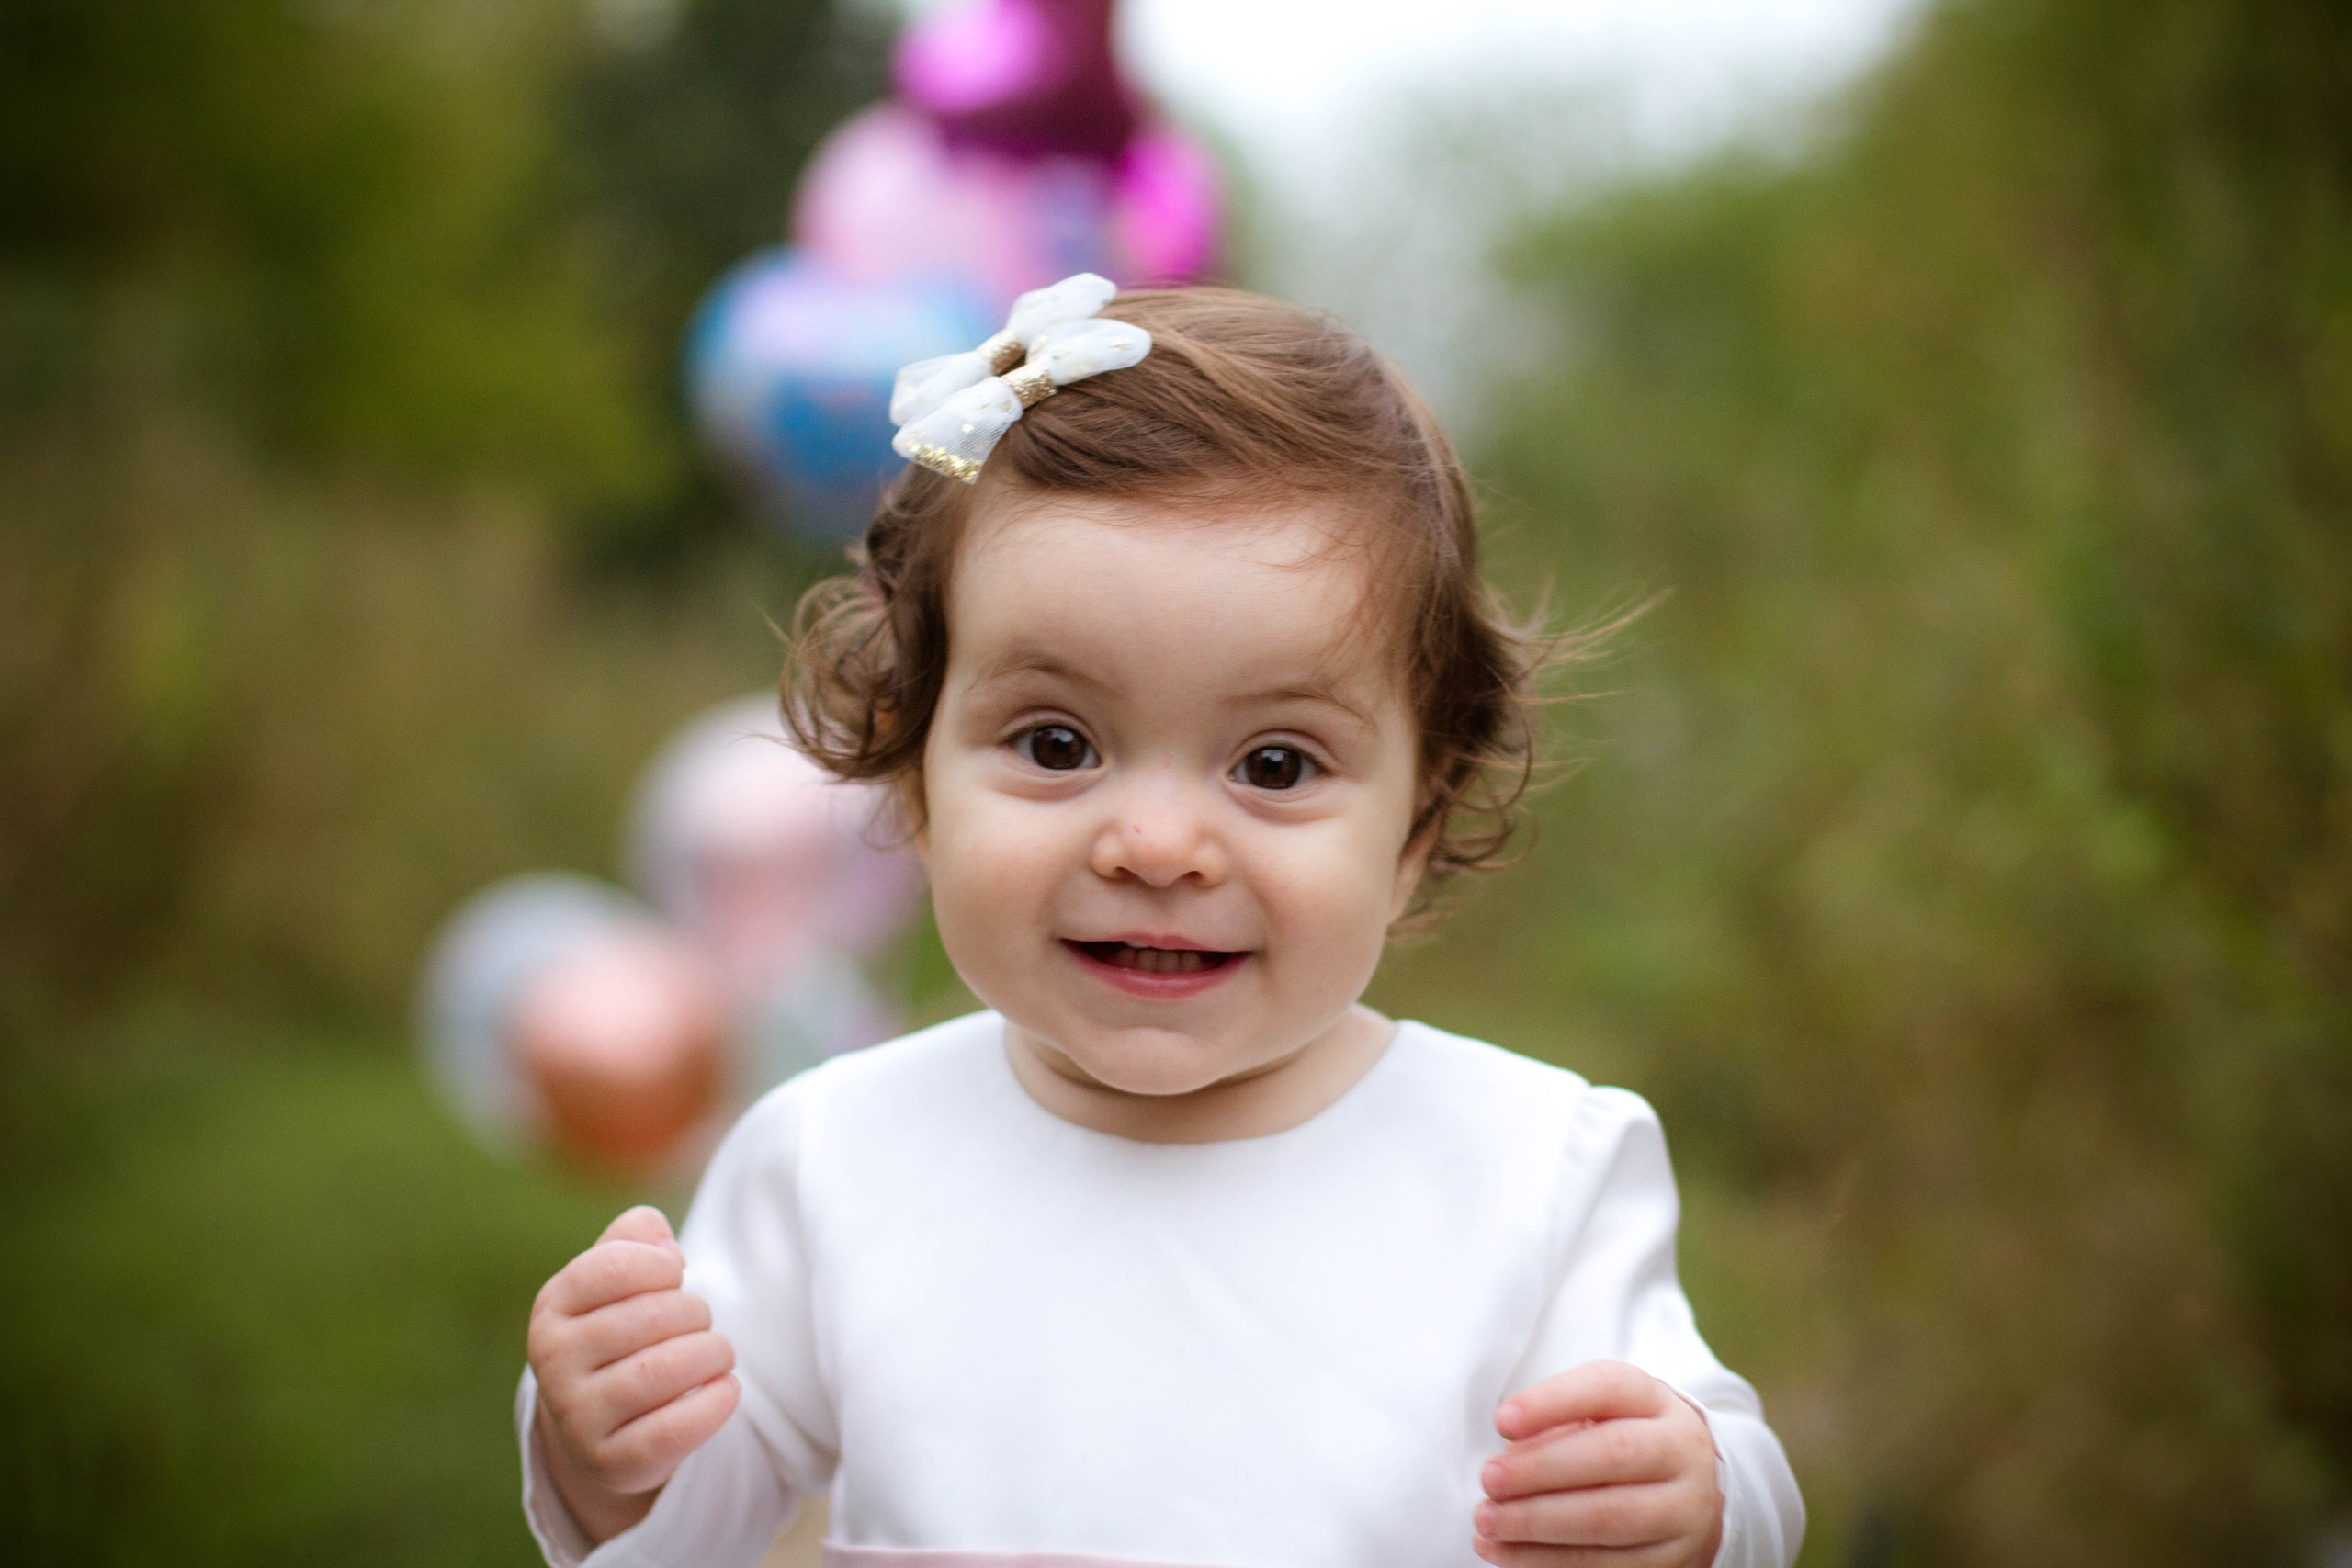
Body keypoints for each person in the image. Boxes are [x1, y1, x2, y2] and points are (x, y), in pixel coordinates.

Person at [516, 275, 1805, 1568]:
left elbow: (1729, 1475)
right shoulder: (833, 1155)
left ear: (1417, 825)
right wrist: (610, 1449)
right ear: (916, 779)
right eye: (1059, 742)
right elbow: (692, 1527)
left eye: (1276, 766)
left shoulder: (1533, 1168)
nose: (1157, 846)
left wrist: (1694, 1505)